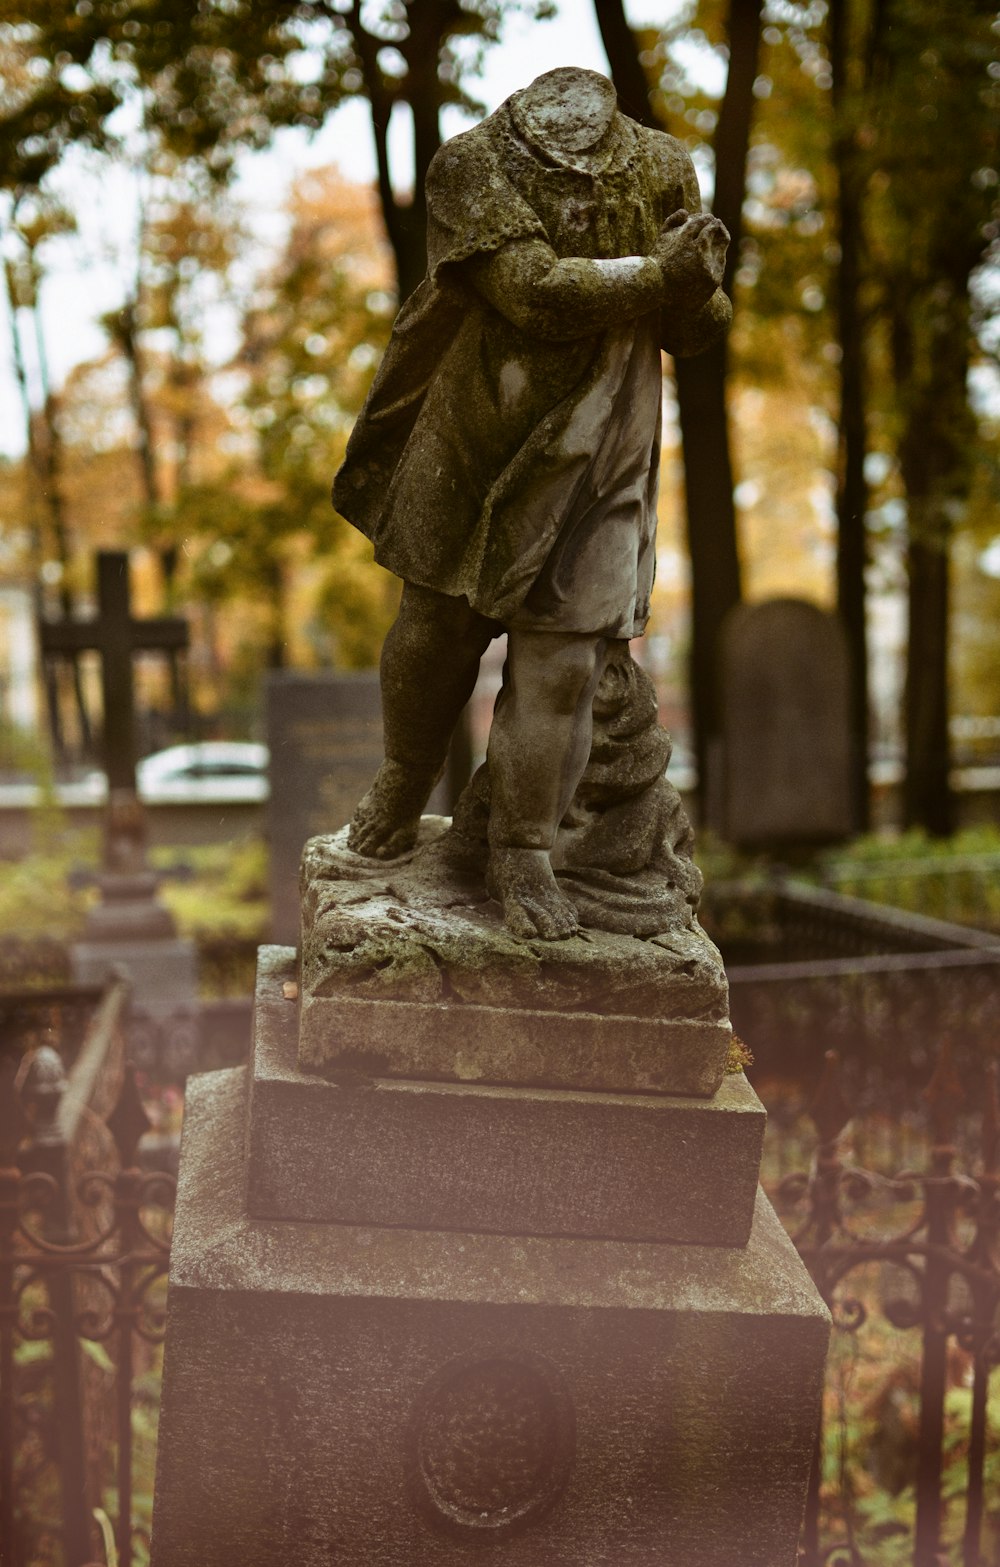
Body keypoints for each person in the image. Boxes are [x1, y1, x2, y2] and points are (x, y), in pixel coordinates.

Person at [333, 67, 730, 939]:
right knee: (435, 628)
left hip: (603, 449)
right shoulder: (471, 166)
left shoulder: (663, 165)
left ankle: (522, 851)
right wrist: (662, 273)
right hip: (477, 438)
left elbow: (693, 328)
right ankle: (403, 780)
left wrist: (698, 286)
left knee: (563, 663)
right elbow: (534, 293)